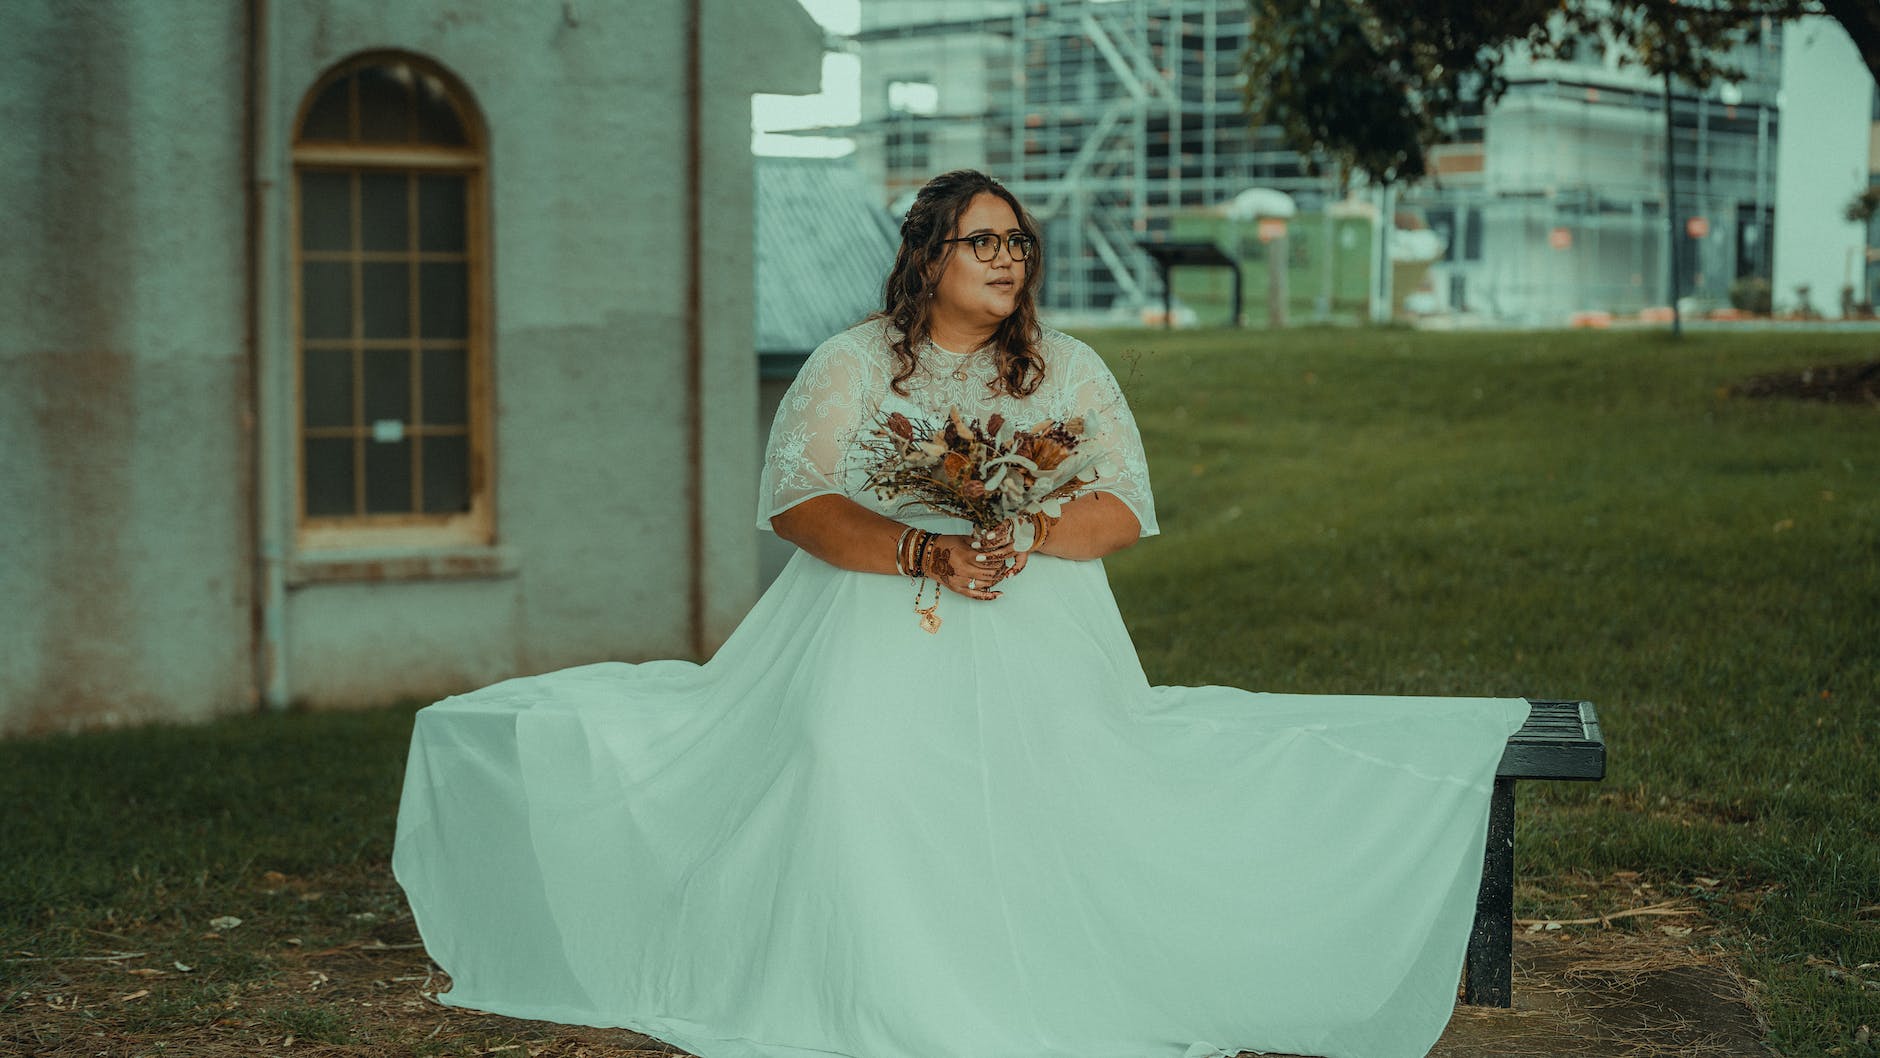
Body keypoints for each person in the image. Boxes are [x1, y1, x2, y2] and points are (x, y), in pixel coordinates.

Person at [393, 170, 1530, 1058]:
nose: (1007, 256)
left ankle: (1021, 971)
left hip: (1038, 616)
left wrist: (1022, 531)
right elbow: (796, 501)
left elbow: (1122, 507)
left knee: (1056, 777)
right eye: (982, 239)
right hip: (869, 609)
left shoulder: (1067, 369)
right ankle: (871, 982)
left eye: (1017, 240)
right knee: (848, 759)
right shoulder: (850, 365)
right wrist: (921, 547)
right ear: (928, 256)